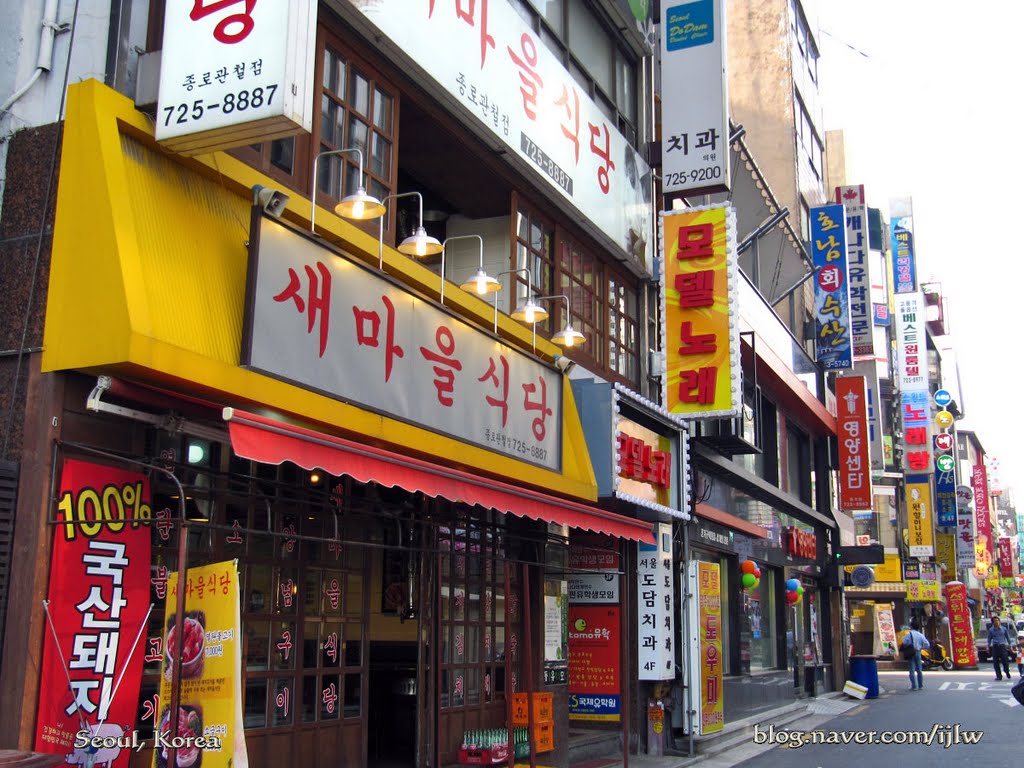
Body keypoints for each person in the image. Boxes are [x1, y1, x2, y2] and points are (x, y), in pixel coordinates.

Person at [902, 619, 930, 691]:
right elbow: (927, 644)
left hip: (911, 652)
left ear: (911, 626)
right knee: (919, 670)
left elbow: (904, 643)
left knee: (912, 669)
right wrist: (921, 648)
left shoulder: (908, 634)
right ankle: (920, 685)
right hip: (918, 652)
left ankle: (914, 686)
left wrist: (909, 645)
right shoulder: (920, 635)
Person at [988, 615, 1012, 680]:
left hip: (1002, 646)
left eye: (998, 621)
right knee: (996, 662)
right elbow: (989, 639)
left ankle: (1007, 671)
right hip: (995, 647)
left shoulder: (1004, 629)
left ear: (1000, 622)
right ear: (993, 623)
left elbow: (1007, 637)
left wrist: (1010, 645)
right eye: (995, 621)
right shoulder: (991, 630)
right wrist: (988, 646)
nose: (997, 622)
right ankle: (999, 676)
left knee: (1005, 661)